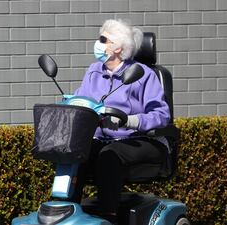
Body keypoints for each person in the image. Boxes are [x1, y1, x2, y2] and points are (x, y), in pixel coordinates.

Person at [74, 19, 171, 224]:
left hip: (142, 139)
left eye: (103, 39)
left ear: (118, 47)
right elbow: (80, 100)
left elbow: (162, 115)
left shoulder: (143, 74)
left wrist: (130, 121)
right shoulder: (93, 71)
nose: (98, 43)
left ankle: (108, 217)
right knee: (74, 153)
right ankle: (70, 212)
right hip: (103, 140)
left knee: (109, 155)